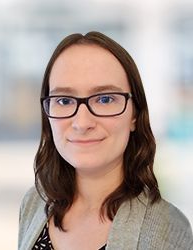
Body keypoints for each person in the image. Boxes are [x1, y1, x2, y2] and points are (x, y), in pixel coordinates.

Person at [18, 31, 193, 250]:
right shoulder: (35, 203)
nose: (82, 122)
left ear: (135, 116)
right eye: (63, 100)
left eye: (105, 99)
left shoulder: (168, 229)